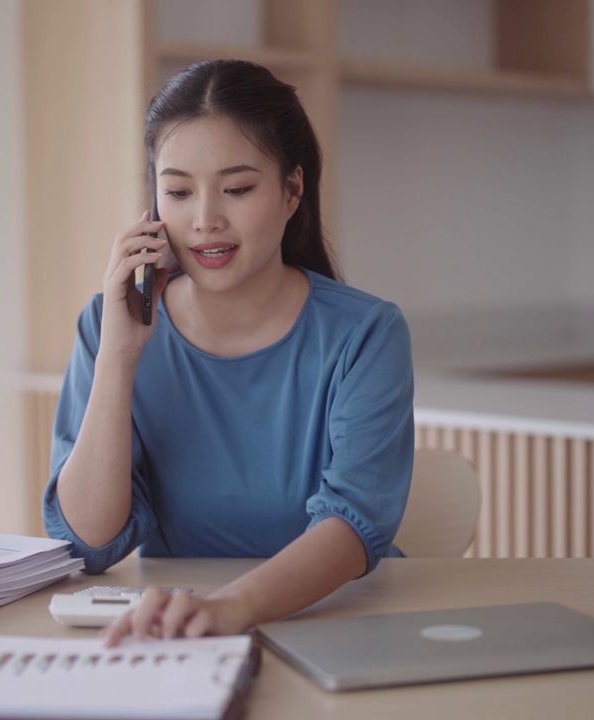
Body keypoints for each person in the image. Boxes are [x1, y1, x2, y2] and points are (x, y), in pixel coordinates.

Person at [42, 59, 414, 645]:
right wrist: (118, 355)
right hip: (184, 635)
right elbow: (89, 544)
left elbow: (353, 524)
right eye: (179, 192)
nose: (206, 220)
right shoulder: (110, 327)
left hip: (343, 624)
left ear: (293, 190)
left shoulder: (366, 332)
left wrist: (229, 611)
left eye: (238, 189)